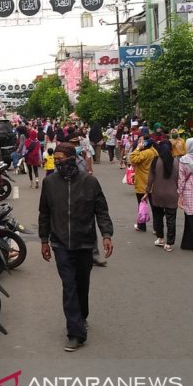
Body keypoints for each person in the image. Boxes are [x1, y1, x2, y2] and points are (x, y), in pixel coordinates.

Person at [39, 142, 113, 352]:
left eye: (61, 159)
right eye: (56, 160)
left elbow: (101, 211)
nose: (58, 163)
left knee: (82, 285)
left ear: (72, 159)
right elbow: (44, 213)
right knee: (69, 286)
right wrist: (44, 240)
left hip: (84, 242)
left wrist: (106, 234)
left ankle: (81, 317)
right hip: (60, 243)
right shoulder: (50, 183)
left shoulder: (90, 182)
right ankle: (75, 333)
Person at [146, 142, 179, 252]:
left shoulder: (155, 161)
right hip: (172, 195)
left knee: (158, 217)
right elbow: (179, 179)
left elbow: (150, 179)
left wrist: (147, 191)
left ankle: (160, 239)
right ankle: (169, 244)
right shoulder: (176, 162)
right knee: (171, 219)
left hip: (157, 194)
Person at [128, 135, 158, 233]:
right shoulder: (154, 151)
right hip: (153, 182)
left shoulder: (146, 153)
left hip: (143, 182)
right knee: (155, 207)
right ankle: (157, 228)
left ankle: (141, 225)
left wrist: (137, 149)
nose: (139, 143)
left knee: (141, 205)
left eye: (141, 141)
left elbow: (132, 159)